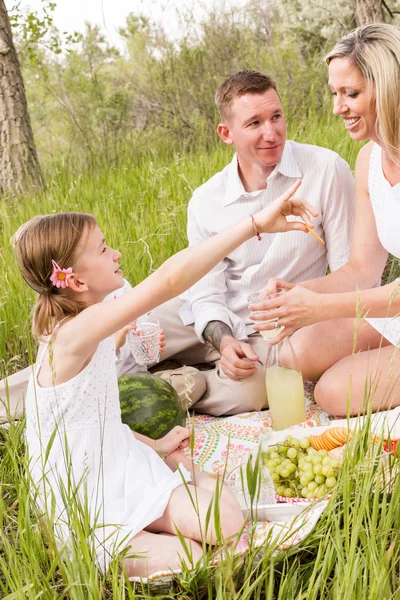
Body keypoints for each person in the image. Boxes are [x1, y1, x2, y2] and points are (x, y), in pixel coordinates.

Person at [16, 188, 316, 576]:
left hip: (122, 465)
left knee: (227, 522)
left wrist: (157, 446)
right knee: (191, 560)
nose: (117, 255)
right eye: (104, 250)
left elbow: (95, 420)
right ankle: (123, 545)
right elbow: (170, 279)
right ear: (72, 280)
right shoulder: (73, 335)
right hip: (88, 500)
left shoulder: (91, 322)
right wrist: (254, 225)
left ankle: (181, 474)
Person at [151, 69, 355, 416]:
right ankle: (36, 395)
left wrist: (303, 302)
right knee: (128, 333)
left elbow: (351, 271)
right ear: (226, 133)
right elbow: (206, 292)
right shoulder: (206, 200)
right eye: (254, 123)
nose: (271, 133)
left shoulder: (325, 169)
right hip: (206, 315)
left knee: (250, 394)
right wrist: (224, 339)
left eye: (276, 116)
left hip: (274, 328)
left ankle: (174, 384)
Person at [250, 23, 400, 417]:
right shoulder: (369, 159)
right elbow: (363, 269)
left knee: (333, 393)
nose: (338, 108)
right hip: (394, 304)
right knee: (296, 353)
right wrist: (300, 294)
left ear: (387, 89)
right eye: (335, 93)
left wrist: (320, 309)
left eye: (351, 94)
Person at [0, 277, 206, 421]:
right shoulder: (70, 323)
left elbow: (139, 343)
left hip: (127, 382)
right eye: (103, 250)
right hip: (91, 395)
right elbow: (88, 384)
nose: (117, 253)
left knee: (193, 381)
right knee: (30, 389)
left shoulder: (120, 288)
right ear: (77, 279)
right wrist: (114, 344)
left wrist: (147, 346)